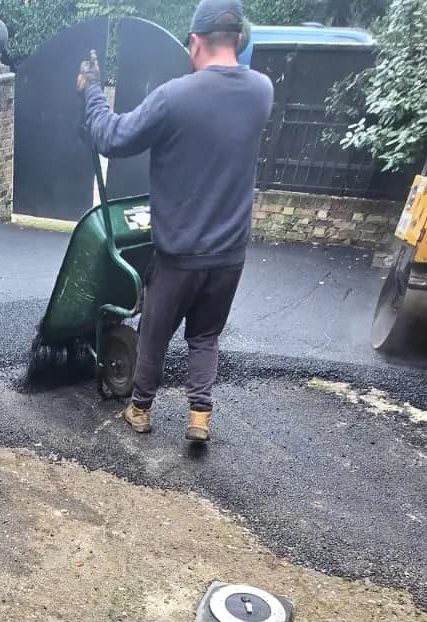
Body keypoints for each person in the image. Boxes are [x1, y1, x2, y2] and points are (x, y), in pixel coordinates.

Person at [78, 0, 273, 443]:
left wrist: (91, 91)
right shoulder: (261, 91)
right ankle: (199, 417)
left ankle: (141, 410)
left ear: (196, 41)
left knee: (154, 332)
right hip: (230, 254)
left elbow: (112, 137)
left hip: (180, 250)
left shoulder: (176, 97)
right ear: (238, 39)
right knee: (205, 335)